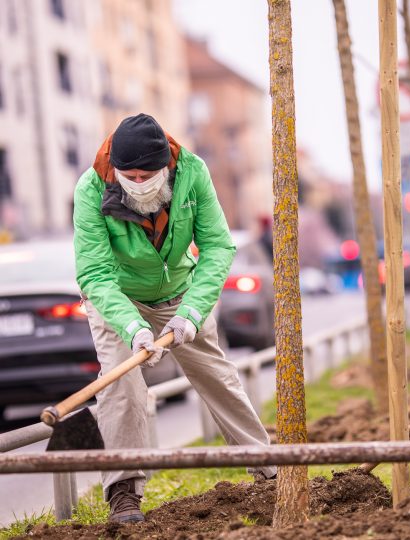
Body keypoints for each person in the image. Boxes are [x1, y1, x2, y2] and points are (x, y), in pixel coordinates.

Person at [73, 114, 276, 523]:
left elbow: (218, 247)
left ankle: (269, 471)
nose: (140, 182)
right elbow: (94, 273)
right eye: (129, 175)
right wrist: (132, 327)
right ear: (115, 170)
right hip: (119, 300)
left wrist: (191, 313)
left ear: (166, 166)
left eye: (148, 174)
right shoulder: (92, 187)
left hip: (181, 293)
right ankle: (124, 492)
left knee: (217, 377)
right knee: (120, 386)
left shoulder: (193, 173)